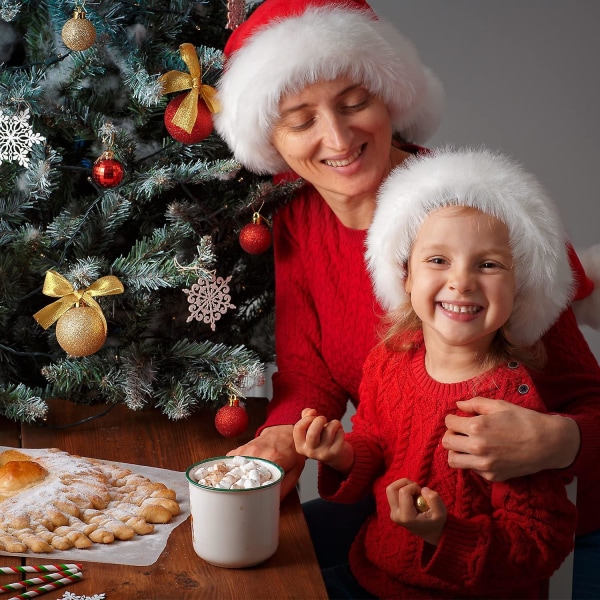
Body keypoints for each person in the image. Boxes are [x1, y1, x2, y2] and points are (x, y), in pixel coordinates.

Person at [213, 0, 600, 597]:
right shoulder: (298, 221)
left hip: (534, 526)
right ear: (270, 138)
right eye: (300, 119)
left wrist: (560, 440)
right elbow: (310, 380)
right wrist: (281, 439)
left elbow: (585, 398)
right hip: (403, 515)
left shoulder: (468, 221)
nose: (337, 138)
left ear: (390, 97)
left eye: (354, 104)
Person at [293, 146, 579, 599]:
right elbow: (376, 443)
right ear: (404, 274)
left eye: (488, 264)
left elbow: (541, 541)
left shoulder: (510, 403)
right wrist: (342, 454)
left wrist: (444, 532)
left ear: (518, 286)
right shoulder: (391, 360)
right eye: (438, 260)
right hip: (374, 573)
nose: (461, 282)